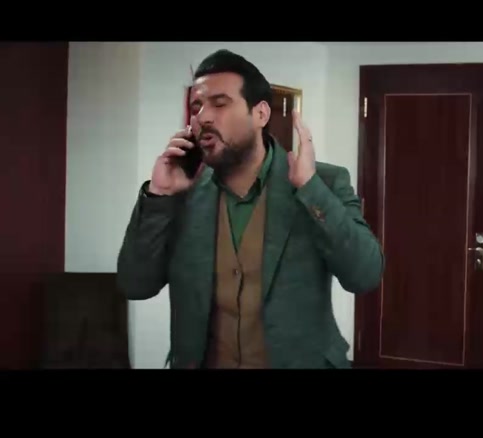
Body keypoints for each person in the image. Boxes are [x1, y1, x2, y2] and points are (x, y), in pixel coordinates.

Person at [116, 49, 384, 369]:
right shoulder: (183, 192)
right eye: (197, 107)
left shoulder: (322, 182)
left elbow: (365, 275)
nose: (203, 117)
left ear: (260, 114)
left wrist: (311, 190)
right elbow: (135, 284)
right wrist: (159, 196)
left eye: (220, 103)